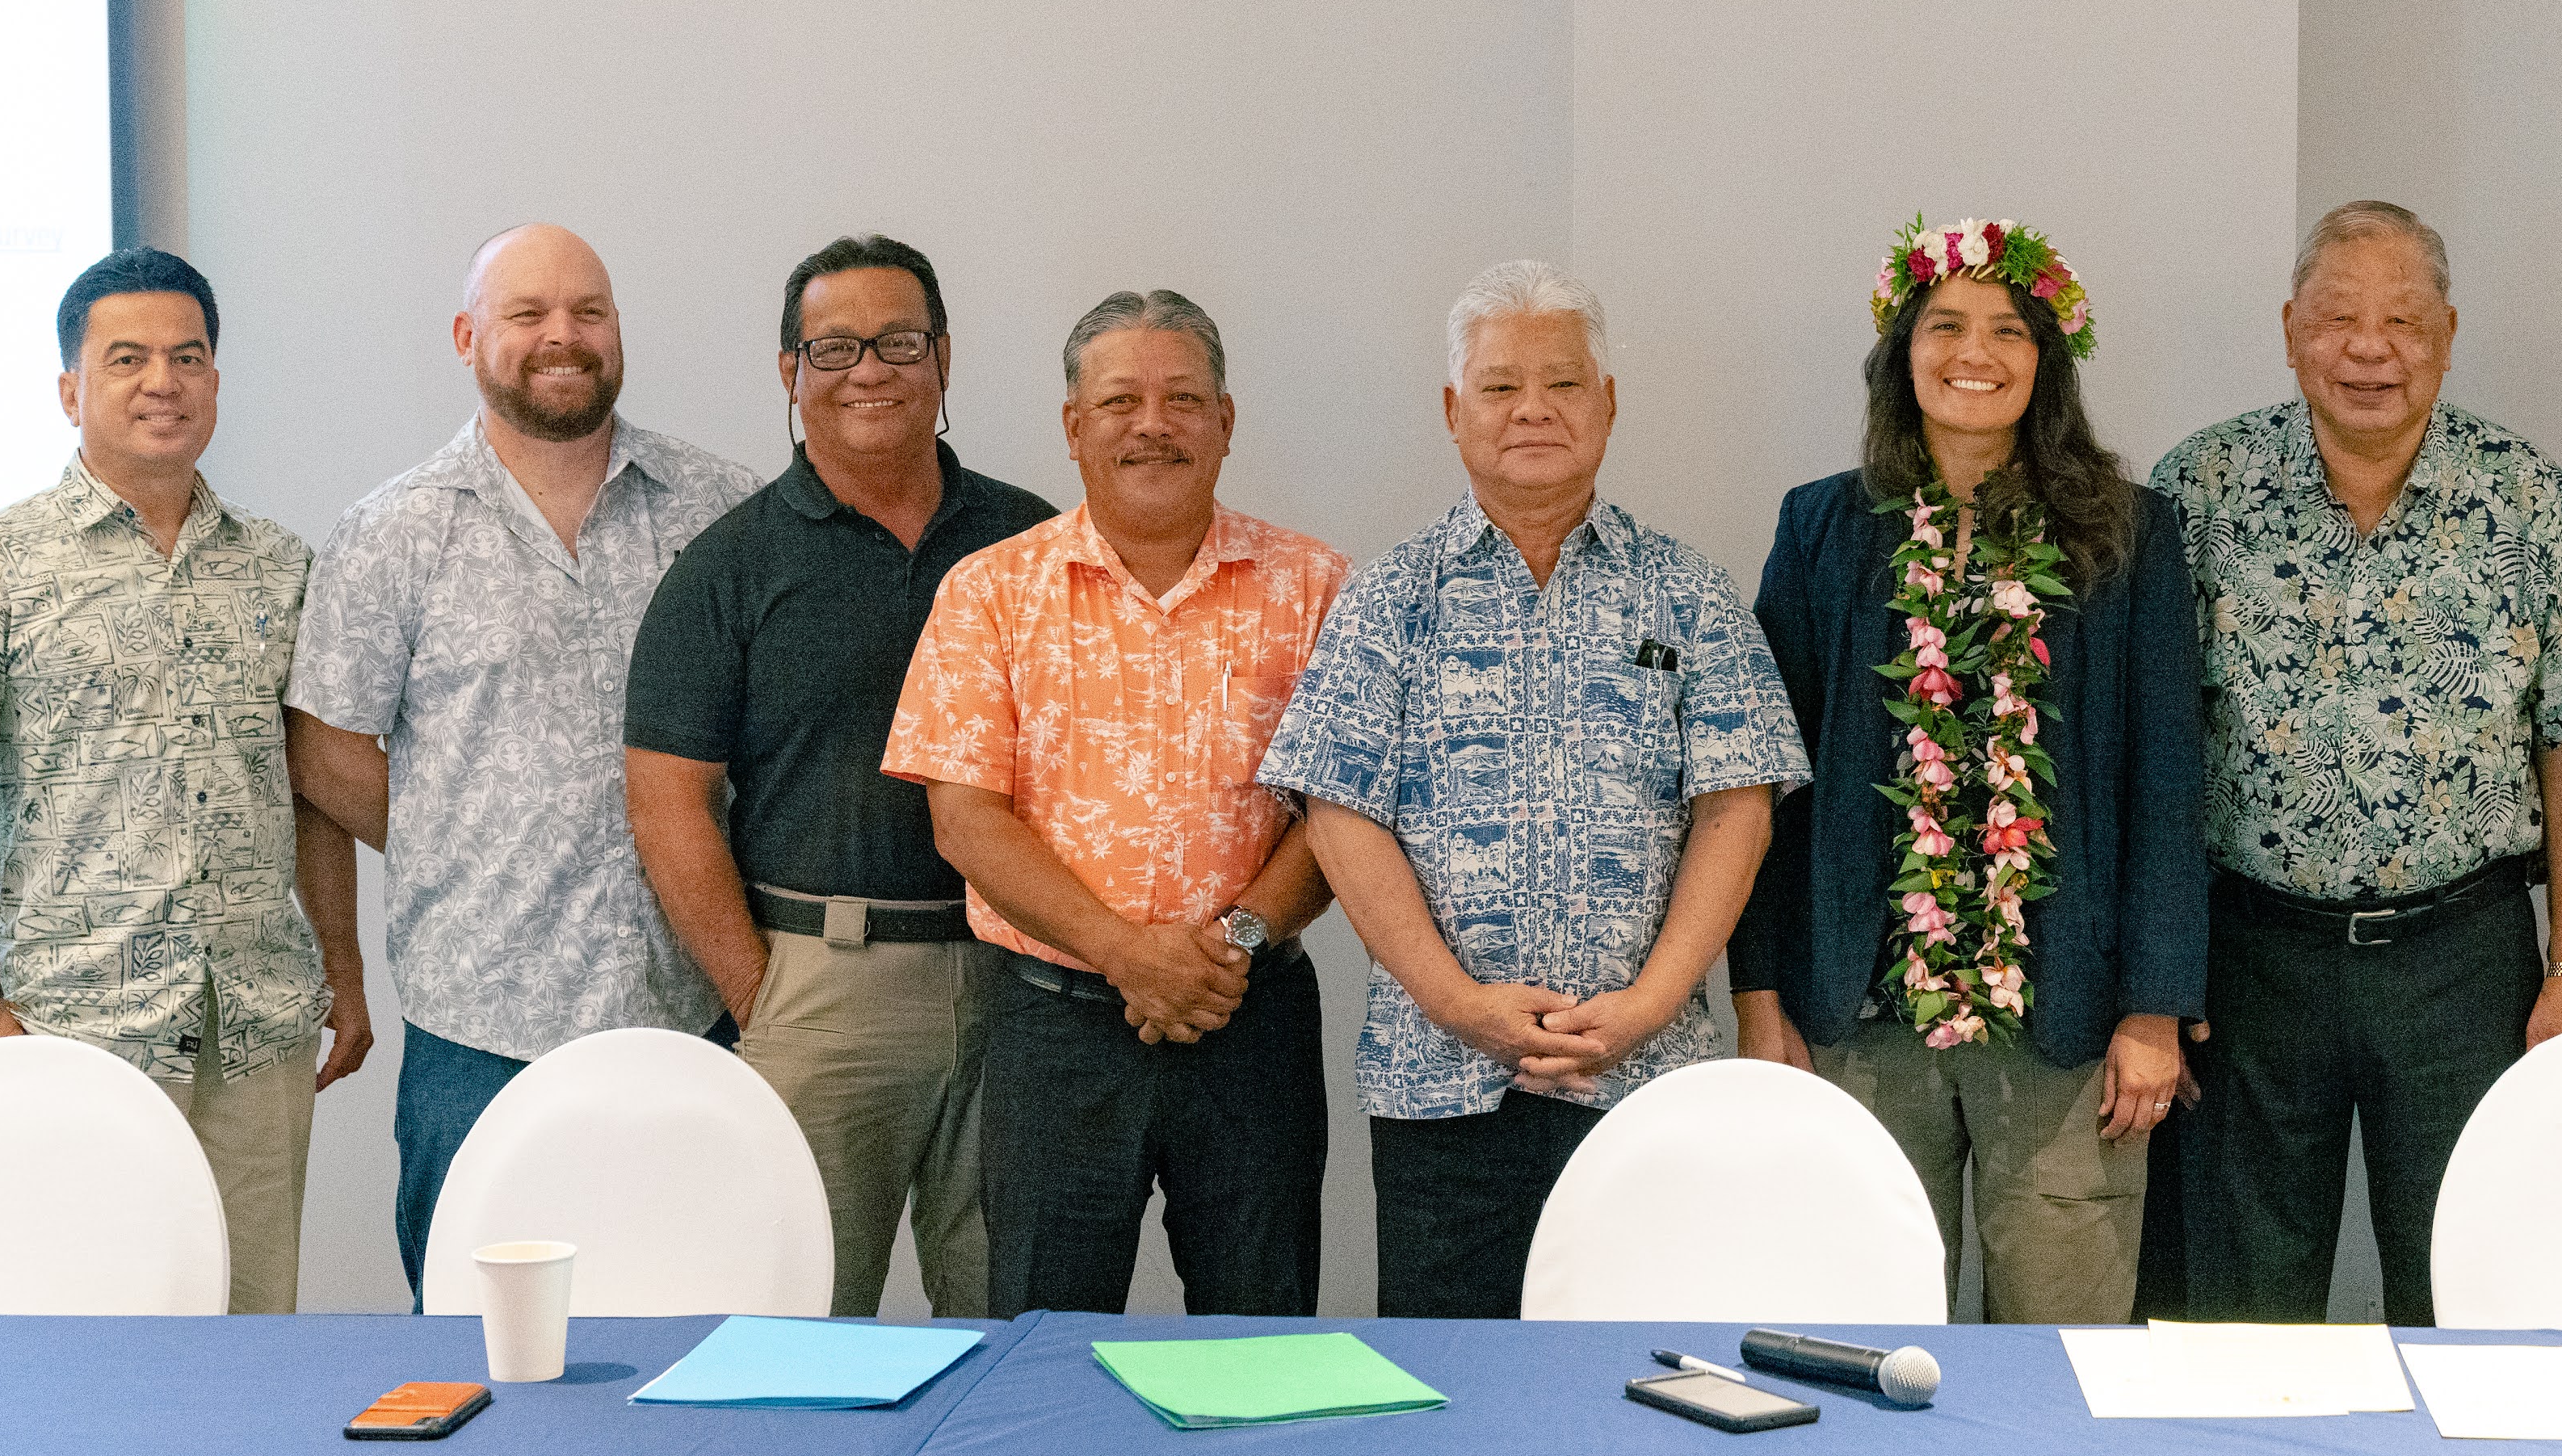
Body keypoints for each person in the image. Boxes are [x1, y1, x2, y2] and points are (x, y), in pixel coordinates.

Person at [1260, 261, 1808, 1319]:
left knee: (1645, 1386)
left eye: (1561, 383)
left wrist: (1650, 1004)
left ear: (1607, 404)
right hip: (1440, 1082)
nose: (1533, 411)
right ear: (1451, 410)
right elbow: (1337, 810)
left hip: (1644, 1079)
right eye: (1501, 386)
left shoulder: (1684, 589)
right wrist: (1456, 1002)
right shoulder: (1393, 594)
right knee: (1451, 1392)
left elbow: (1736, 805)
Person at [2151, 200, 2562, 1326]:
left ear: (2447, 336)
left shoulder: (2526, 499)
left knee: (2469, 1285)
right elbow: (2152, 749)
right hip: (2251, 961)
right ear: (2287, 329)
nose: (2370, 348)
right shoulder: (2197, 492)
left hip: (2460, 962)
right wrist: (2155, 985)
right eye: (2338, 317)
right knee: (2234, 1302)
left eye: (2402, 321)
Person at [1730, 219, 2205, 1324]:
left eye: (2005, 328)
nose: (1972, 351)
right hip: (1856, 1009)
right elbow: (1764, 788)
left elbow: (2166, 780)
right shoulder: (1820, 528)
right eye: (1943, 325)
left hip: (2066, 1017)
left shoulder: (2132, 532)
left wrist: (2153, 1008)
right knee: (1858, 1330)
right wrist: (1758, 999)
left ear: (2045, 359)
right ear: (1902, 352)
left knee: (2061, 1341)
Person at [0, 248, 372, 1311]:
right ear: (71, 390)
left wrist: (344, 965)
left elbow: (312, 797)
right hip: (75, 1030)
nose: (164, 380)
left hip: (256, 1024)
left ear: (214, 380)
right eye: (128, 358)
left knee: (251, 1333)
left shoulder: (281, 567)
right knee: (94, 1342)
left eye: (188, 357)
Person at [289, 223, 758, 1301]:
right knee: (475, 1343)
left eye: (588, 312)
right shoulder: (393, 531)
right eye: (528, 314)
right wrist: (461, 828)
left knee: (697, 1318)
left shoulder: (717, 509)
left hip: (688, 1007)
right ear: (468, 337)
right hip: (480, 1025)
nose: (564, 336)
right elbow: (322, 745)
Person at [884, 291, 1345, 1316]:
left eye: (1184, 398)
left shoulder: (1315, 586)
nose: (1154, 424)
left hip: (1249, 1017)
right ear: (1074, 425)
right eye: (1122, 399)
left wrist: (1230, 940)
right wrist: (1123, 949)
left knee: (1261, 1338)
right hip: (1055, 1033)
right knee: (1039, 1339)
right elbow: (963, 817)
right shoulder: (990, 591)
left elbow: (1343, 812)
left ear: (1226, 422)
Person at [626, 236, 1056, 1319]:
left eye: (898, 341)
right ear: (789, 372)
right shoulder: (728, 565)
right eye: (834, 346)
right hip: (825, 988)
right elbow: (667, 799)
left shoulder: (1030, 541)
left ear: (943, 359)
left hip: (1020, 984)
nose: (868, 369)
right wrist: (759, 995)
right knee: (803, 1324)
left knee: (1009, 1319)